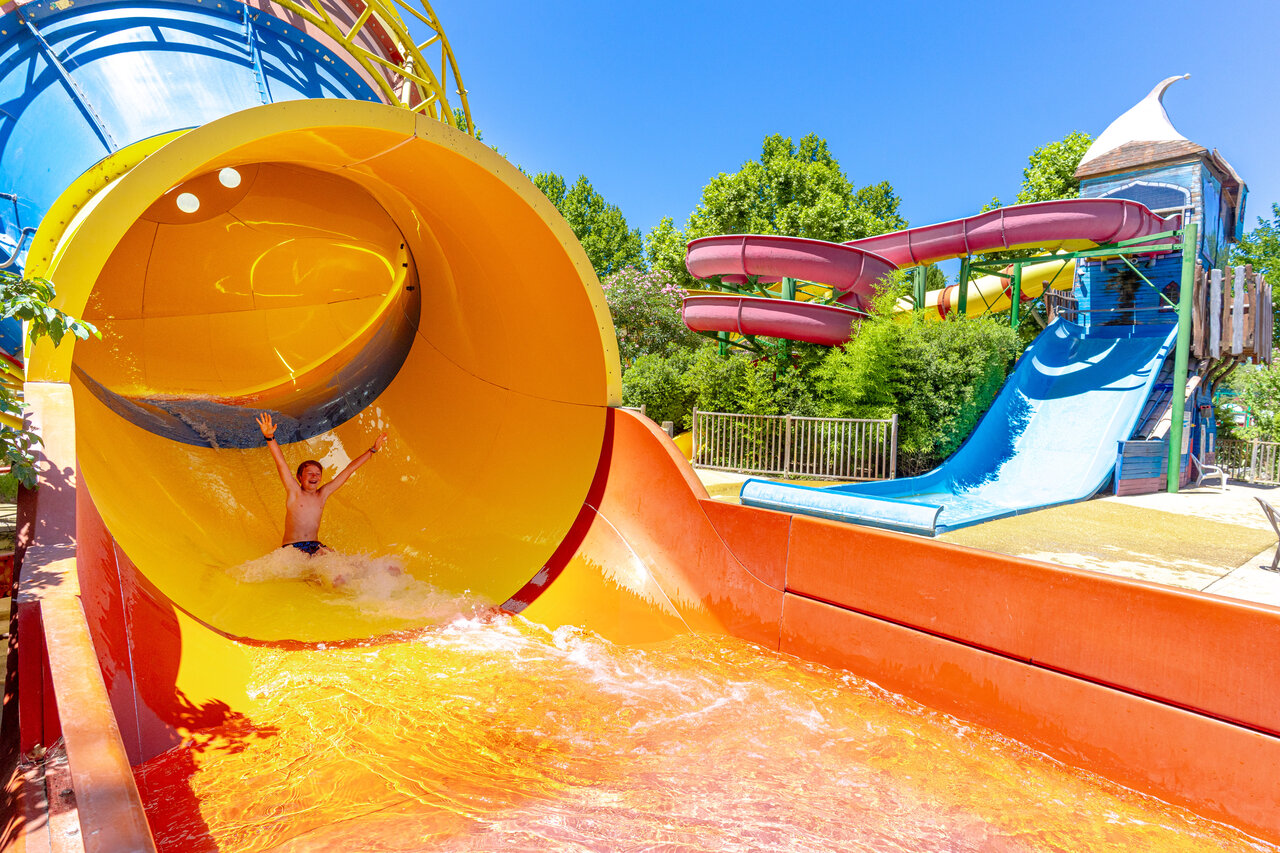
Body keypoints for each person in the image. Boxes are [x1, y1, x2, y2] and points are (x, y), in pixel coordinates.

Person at [256, 413, 388, 557]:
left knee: (343, 564)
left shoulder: (322, 494)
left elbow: (349, 469)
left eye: (318, 474)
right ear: (299, 477)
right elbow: (280, 462)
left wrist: (373, 450)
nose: (314, 476)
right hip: (292, 548)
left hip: (315, 545)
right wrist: (270, 437)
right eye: (309, 473)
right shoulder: (294, 492)